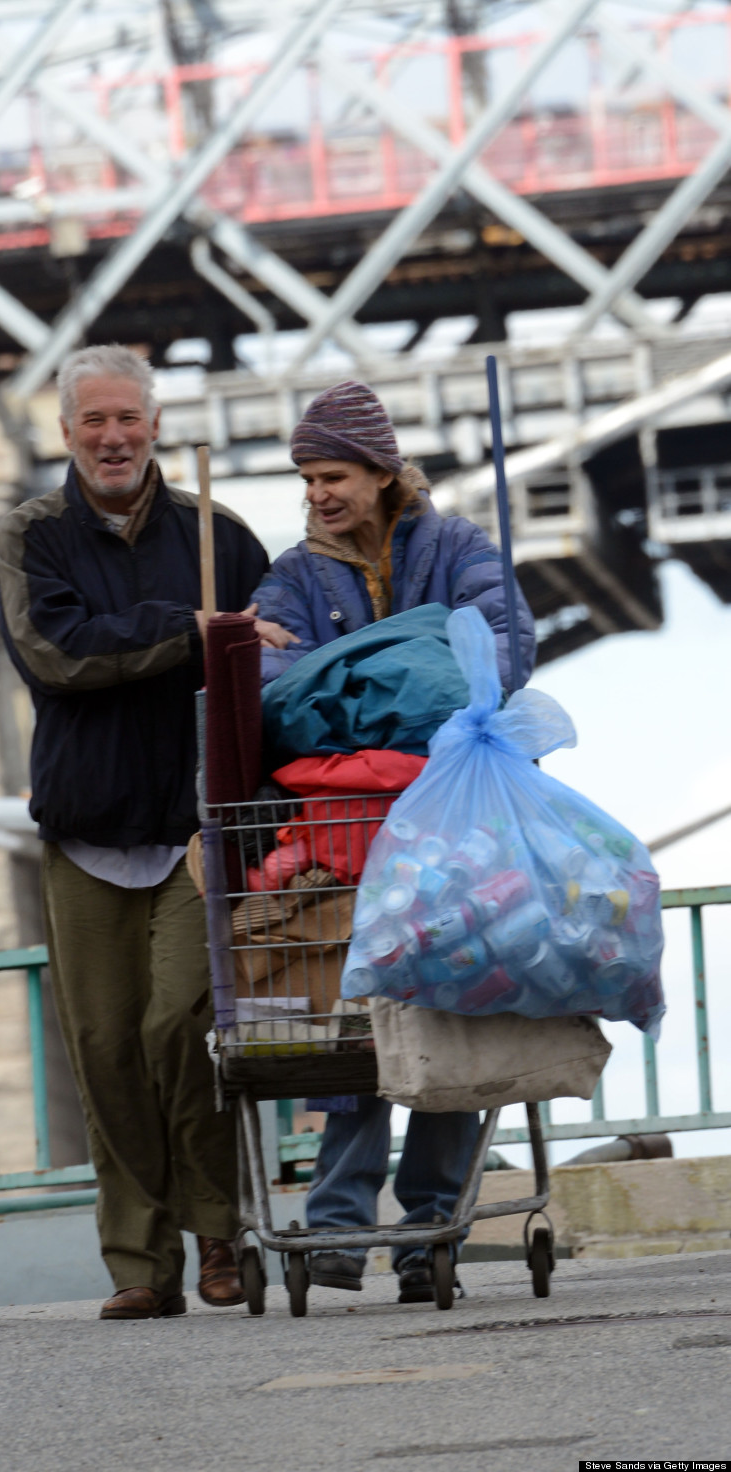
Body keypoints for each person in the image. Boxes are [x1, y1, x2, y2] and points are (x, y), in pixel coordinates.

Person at [0, 343, 291, 1320]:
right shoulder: (30, 539)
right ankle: (140, 1262)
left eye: (128, 418)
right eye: (93, 421)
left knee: (182, 1028)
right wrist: (191, 631)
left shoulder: (223, 534)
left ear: (155, 423)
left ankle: (217, 1232)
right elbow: (58, 654)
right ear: (66, 430)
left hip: (193, 828)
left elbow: (270, 675)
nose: (112, 436)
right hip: (84, 829)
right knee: (105, 1044)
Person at [250, 379, 536, 1303]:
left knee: (448, 1013)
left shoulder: (458, 545)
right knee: (355, 1025)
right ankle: (338, 1227)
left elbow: (502, 653)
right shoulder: (292, 570)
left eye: (331, 476)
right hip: (364, 828)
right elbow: (269, 681)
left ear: (379, 474)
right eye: (306, 481)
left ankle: (425, 1229)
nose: (317, 496)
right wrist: (416, 671)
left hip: (447, 823)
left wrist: (351, 690)